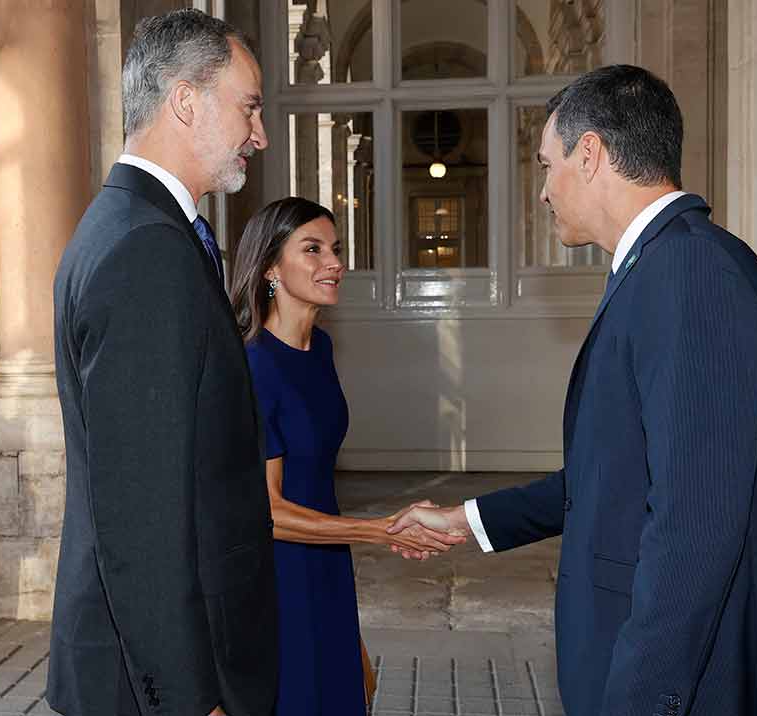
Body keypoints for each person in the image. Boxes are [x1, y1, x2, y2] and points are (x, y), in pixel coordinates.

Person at [390, 65, 757, 716]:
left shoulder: (692, 275)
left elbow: (693, 527)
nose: (542, 192)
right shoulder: (658, 267)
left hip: (688, 686)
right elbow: (613, 476)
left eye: (545, 163)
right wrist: (466, 522)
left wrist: (640, 700)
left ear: (590, 155)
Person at [49, 11, 276, 716]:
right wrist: (187, 700)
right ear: (185, 100)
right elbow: (144, 514)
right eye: (249, 107)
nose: (258, 134)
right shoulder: (145, 250)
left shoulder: (133, 226)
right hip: (160, 680)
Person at [228, 197, 464, 716]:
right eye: (311, 250)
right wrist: (381, 529)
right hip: (278, 581)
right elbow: (267, 512)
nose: (333, 263)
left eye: (334, 249)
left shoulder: (321, 350)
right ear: (270, 267)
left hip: (327, 565)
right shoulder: (254, 367)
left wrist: (350, 633)